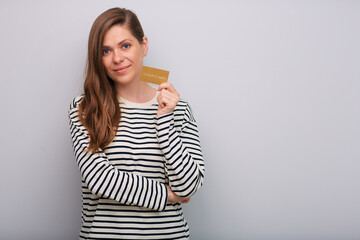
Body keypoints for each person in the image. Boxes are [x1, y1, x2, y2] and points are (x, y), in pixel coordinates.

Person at [68, 7, 205, 239]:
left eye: (125, 45)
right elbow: (100, 179)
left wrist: (164, 122)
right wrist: (168, 196)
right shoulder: (85, 108)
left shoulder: (179, 109)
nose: (117, 58)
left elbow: (188, 187)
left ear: (144, 45)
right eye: (105, 50)